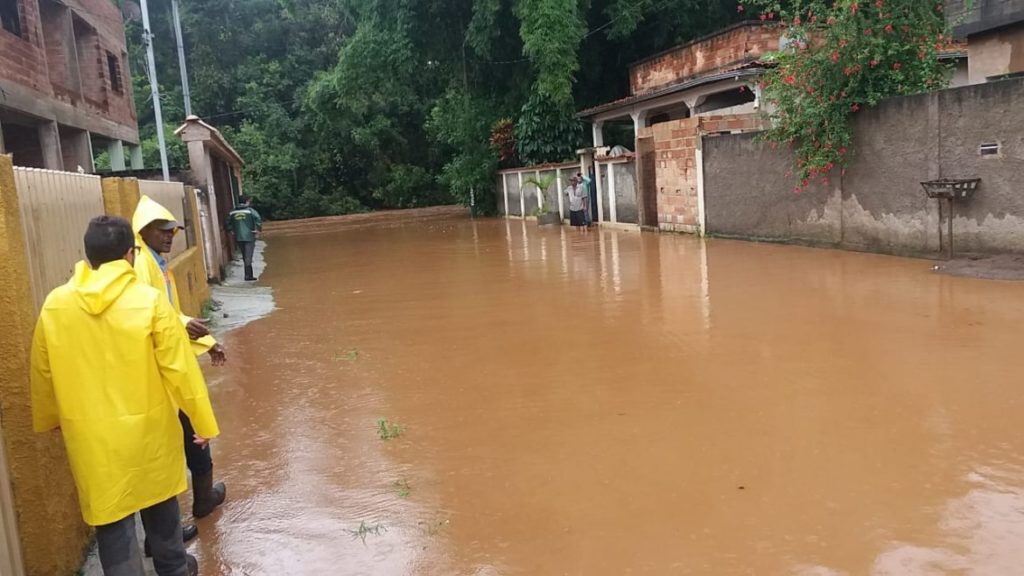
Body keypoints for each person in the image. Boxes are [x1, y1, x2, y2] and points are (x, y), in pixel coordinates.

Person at [31, 216, 220, 576]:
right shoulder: (148, 302)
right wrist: (202, 422)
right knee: (160, 502)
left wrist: (49, 417)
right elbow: (180, 369)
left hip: (90, 436)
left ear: (89, 256)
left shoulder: (55, 304)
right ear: (130, 254)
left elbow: (41, 370)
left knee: (111, 516)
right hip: (148, 428)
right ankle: (175, 569)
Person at [133, 196, 227, 535]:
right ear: (143, 232)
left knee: (189, 430)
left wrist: (205, 339)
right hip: (161, 370)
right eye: (163, 231)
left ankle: (198, 505)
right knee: (188, 432)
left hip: (166, 365)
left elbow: (169, 317)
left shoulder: (156, 264)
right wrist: (191, 330)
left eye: (172, 231)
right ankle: (170, 533)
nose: (170, 236)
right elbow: (152, 317)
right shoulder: (143, 265)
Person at [225, 197, 262, 281]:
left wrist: (231, 230)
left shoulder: (232, 212)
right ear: (246, 202)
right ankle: (248, 276)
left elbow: (227, 222)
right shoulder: (250, 211)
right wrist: (257, 230)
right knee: (248, 256)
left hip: (238, 237)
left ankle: (248, 274)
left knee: (244, 254)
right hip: (249, 236)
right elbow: (258, 219)